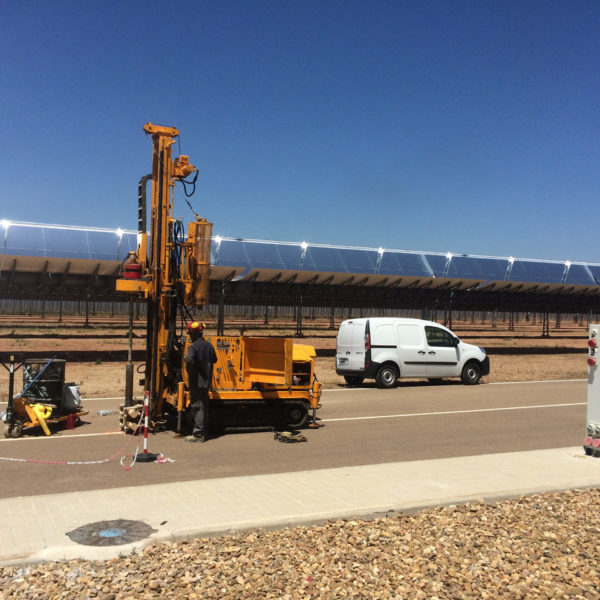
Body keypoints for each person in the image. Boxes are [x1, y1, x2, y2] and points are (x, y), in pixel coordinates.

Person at [184, 321, 217, 442]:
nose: (190, 336)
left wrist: (191, 370)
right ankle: (203, 431)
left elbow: (189, 360)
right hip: (206, 382)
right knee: (203, 405)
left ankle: (198, 434)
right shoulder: (209, 346)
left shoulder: (192, 347)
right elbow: (214, 359)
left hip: (196, 382)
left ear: (194, 334)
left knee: (197, 406)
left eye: (190, 334)